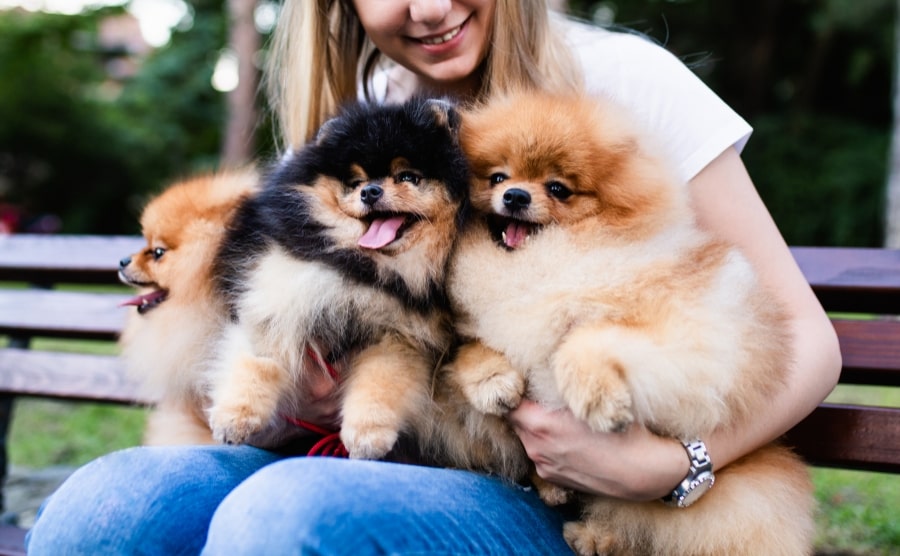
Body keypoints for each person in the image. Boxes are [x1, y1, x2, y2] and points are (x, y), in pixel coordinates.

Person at [26, 1, 841, 554]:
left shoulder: (623, 82)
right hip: (385, 458)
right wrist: (289, 392)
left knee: (282, 516)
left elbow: (807, 339)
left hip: (567, 498)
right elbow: (252, 333)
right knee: (108, 506)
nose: (428, 6)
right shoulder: (361, 119)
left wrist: (668, 468)